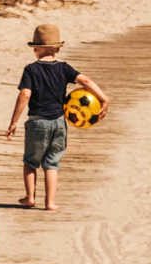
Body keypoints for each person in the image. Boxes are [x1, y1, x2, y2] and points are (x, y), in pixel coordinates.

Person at [6, 23, 109, 211]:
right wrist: (103, 98)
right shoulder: (64, 68)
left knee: (30, 162)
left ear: (36, 49)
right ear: (58, 47)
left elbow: (25, 95)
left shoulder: (31, 70)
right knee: (52, 163)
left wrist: (13, 122)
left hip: (37, 122)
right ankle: (50, 202)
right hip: (60, 122)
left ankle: (30, 198)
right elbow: (85, 81)